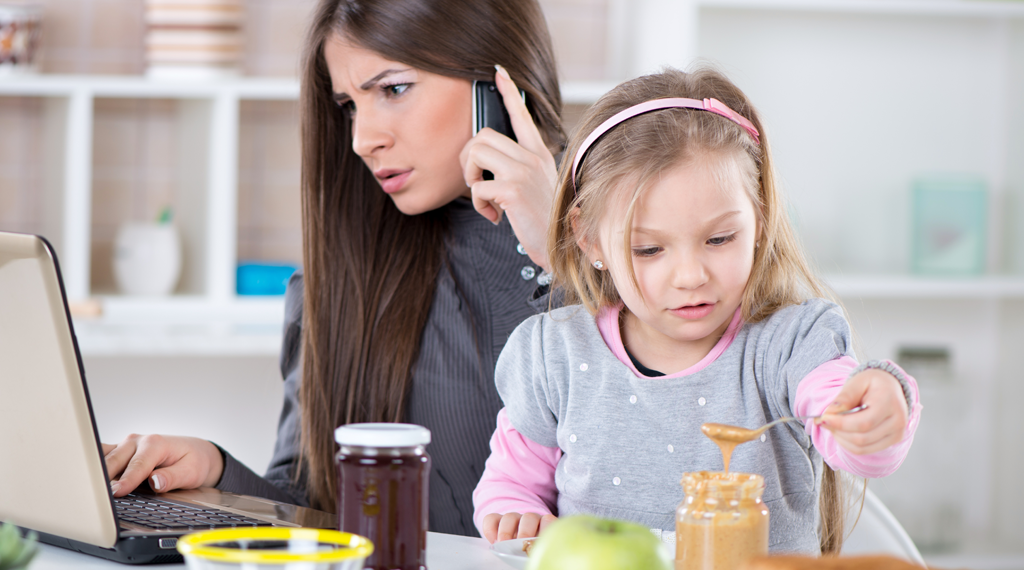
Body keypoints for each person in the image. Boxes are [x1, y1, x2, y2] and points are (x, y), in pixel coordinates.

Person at [101, 0, 566, 537]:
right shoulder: (343, 280)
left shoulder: (636, 260)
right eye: (349, 104)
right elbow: (315, 508)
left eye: (393, 89)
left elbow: (653, 477)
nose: (362, 139)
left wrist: (559, 251)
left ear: (497, 86)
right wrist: (216, 470)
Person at [472, 67, 923, 554]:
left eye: (719, 239)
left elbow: (847, 428)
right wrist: (516, 516)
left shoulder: (792, 344)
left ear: (760, 218)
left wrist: (873, 412)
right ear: (588, 237)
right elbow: (510, 486)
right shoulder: (553, 354)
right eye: (648, 249)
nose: (690, 276)